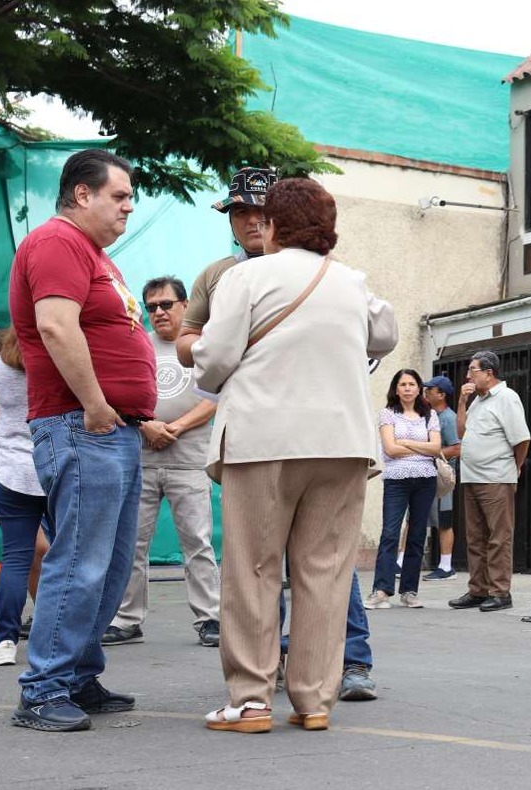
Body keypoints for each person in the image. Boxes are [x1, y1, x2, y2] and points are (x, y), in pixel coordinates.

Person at [193, 177, 397, 732]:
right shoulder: (351, 281)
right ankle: (313, 700)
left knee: (253, 569)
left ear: (274, 225)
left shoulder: (247, 276)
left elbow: (212, 362)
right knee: (325, 573)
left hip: (263, 440)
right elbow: (386, 333)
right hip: (342, 444)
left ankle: (252, 700)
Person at [8, 149, 155, 732]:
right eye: (119, 196)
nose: (128, 207)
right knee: (80, 562)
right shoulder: (57, 242)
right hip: (81, 424)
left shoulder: (93, 255)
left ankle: (75, 674)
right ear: (82, 194)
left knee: (112, 565)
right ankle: (43, 688)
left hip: (110, 429)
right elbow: (54, 326)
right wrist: (95, 404)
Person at [102, 277, 221, 648]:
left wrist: (176, 426)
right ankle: (126, 619)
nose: (158, 313)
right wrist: (145, 425)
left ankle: (210, 618)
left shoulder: (201, 346)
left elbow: (217, 396)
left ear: (185, 306)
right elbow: (117, 392)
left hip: (189, 460)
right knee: (132, 544)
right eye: (151, 307)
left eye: (166, 304)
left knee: (198, 542)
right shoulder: (137, 344)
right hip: (141, 459)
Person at [0, 329, 53, 666]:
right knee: (65, 557)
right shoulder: (56, 361)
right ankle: (59, 637)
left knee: (15, 558)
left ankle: (5, 642)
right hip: (54, 464)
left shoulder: (1, 366)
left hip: (11, 468)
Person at [448, 351, 530, 613]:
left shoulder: (507, 398)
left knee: (498, 537)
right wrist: (462, 400)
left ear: (489, 373)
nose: (468, 375)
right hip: (471, 477)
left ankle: (500, 592)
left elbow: (522, 439)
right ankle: (478, 590)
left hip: (496, 477)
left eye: (473, 370)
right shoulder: (478, 401)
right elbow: (461, 432)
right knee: (475, 538)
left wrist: (514, 467)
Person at [175, 167, 277, 368]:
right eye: (241, 212)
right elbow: (184, 347)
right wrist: (218, 345)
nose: (253, 220)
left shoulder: (306, 268)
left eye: (262, 209)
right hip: (232, 395)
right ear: (230, 221)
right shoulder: (213, 275)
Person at [364, 369, 442, 610]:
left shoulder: (429, 414)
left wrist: (405, 442)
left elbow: (437, 446)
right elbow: (390, 449)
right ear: (396, 389)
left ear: (419, 388)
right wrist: (422, 447)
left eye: (412, 384)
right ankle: (381, 590)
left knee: (417, 535)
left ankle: (409, 591)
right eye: (403, 384)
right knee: (390, 533)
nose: (408, 388)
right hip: (396, 479)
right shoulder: (388, 414)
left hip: (425, 479)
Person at [422, 375, 461, 581]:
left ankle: (446, 567)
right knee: (415, 517)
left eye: (431, 389)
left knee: (444, 520)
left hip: (443, 479)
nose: (426, 392)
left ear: (442, 394)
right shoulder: (427, 416)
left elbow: (457, 448)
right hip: (426, 475)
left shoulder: (448, 418)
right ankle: (400, 563)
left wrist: (430, 452)